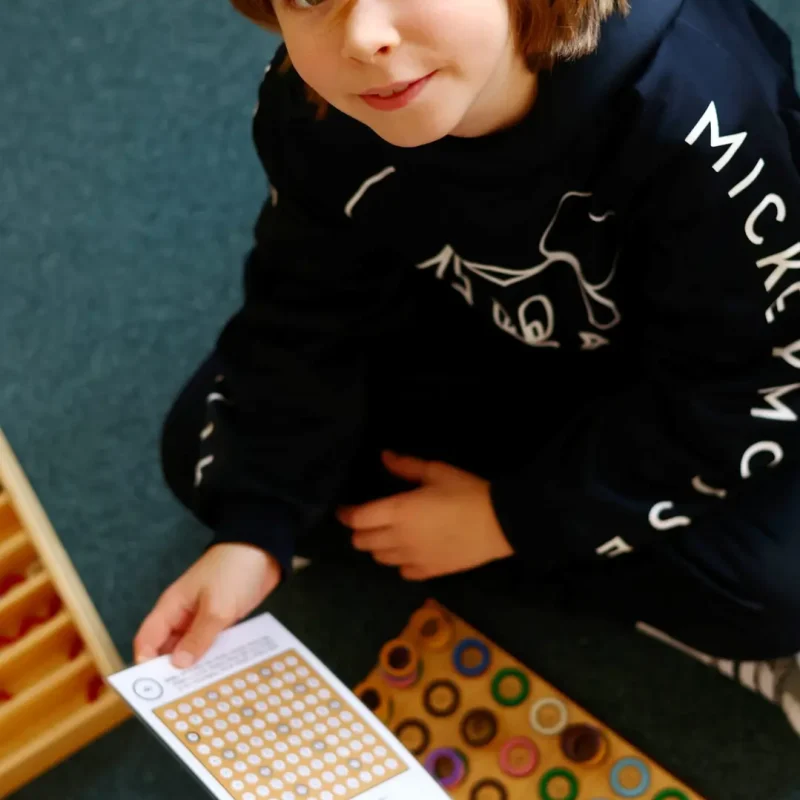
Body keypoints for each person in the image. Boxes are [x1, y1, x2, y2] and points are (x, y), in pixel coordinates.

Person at [134, 0, 800, 682]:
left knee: (779, 588)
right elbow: (304, 304)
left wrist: (509, 520)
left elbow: (750, 380)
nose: (364, 40)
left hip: (674, 391)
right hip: (478, 341)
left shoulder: (698, 110)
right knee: (205, 451)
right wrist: (257, 525)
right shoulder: (319, 106)